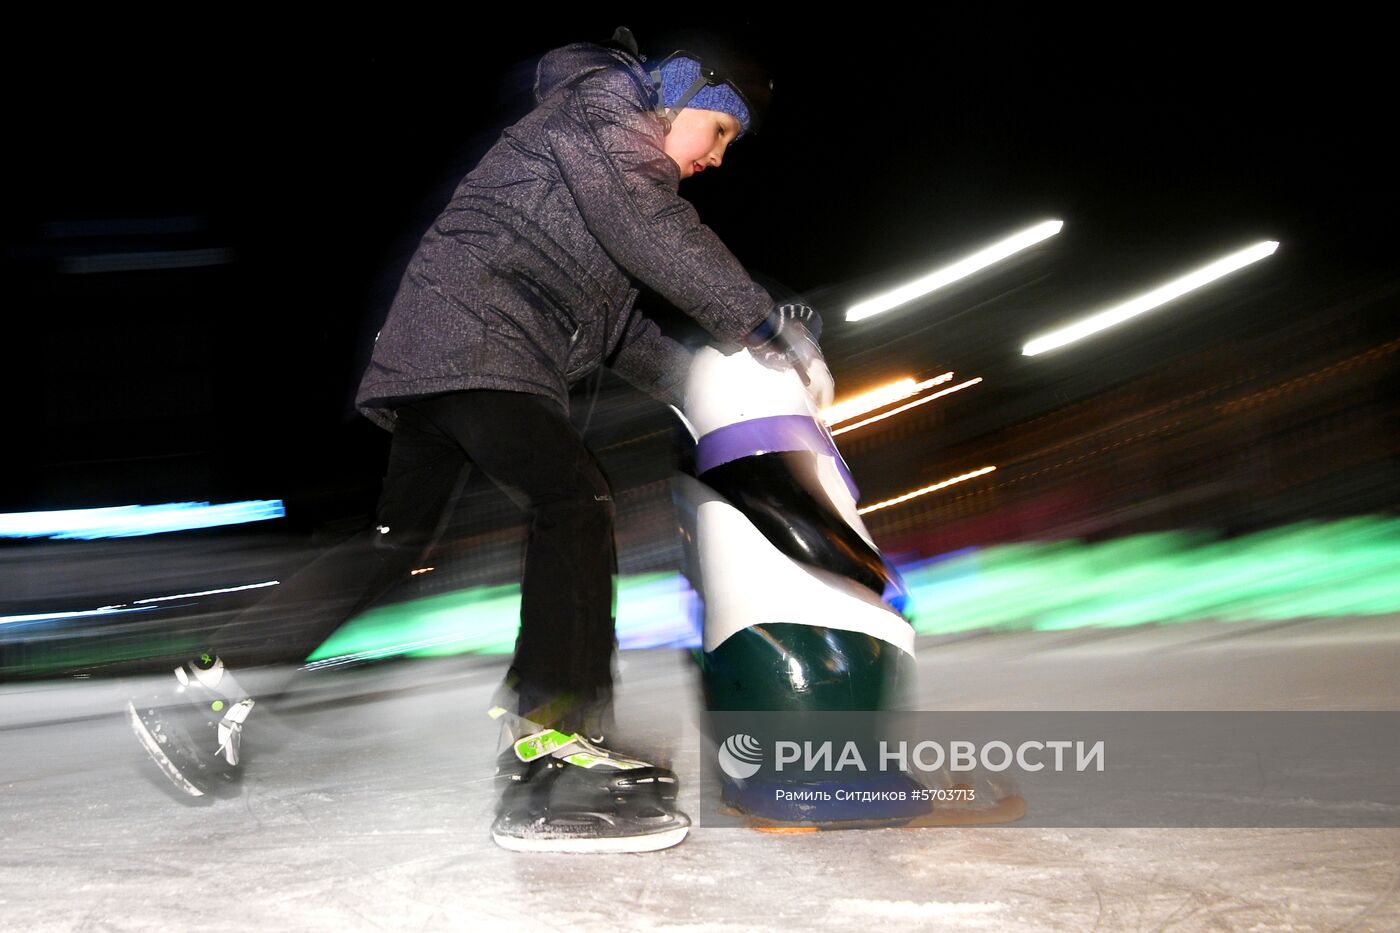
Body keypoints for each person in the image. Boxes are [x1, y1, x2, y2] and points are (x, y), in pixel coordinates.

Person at [128, 26, 824, 853]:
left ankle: (209, 686)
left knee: (397, 540)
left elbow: (612, 327)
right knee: (573, 498)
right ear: (682, 95)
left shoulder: (600, 161)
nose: (717, 160)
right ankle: (551, 737)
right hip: (480, 342)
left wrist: (703, 384)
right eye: (718, 134)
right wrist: (759, 320)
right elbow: (651, 226)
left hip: (444, 352)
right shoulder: (604, 114)